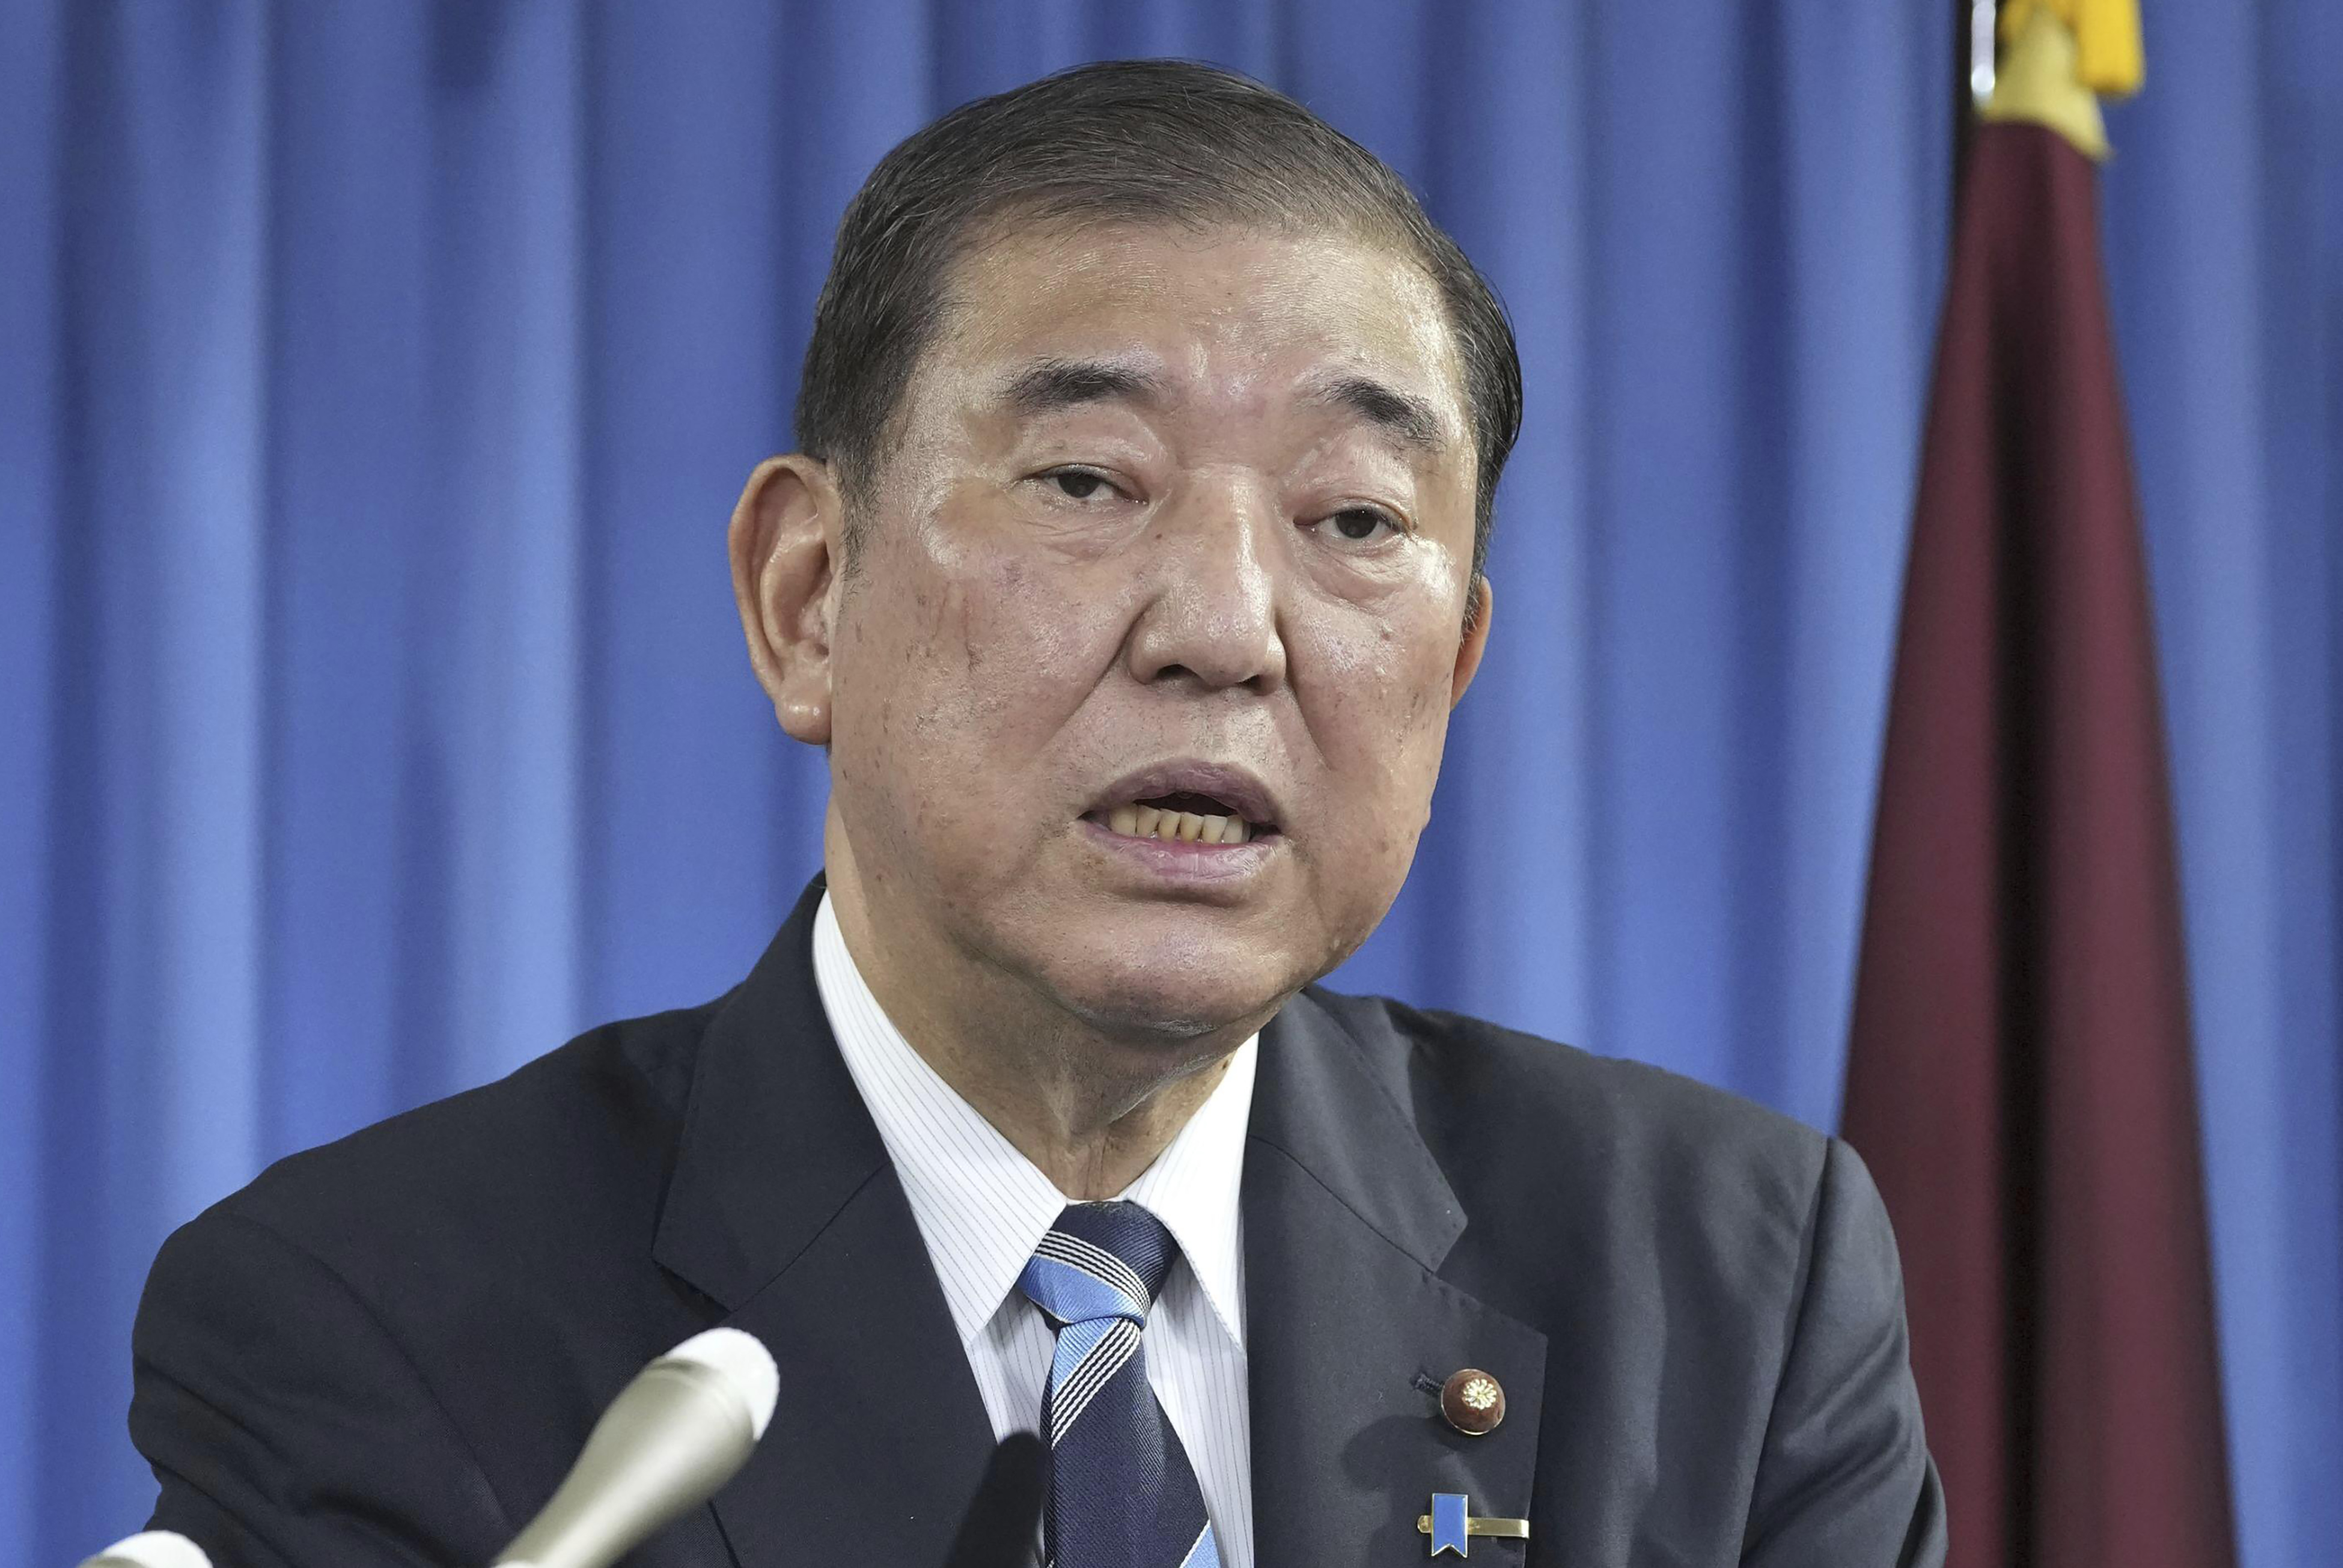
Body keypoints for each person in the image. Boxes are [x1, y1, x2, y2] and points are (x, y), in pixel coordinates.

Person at [129, 59, 1945, 1568]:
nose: (1227, 632)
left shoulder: (1724, 1283)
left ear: (1456, 664)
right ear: (807, 598)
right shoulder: (375, 1320)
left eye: (1356, 521)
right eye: (1090, 480)